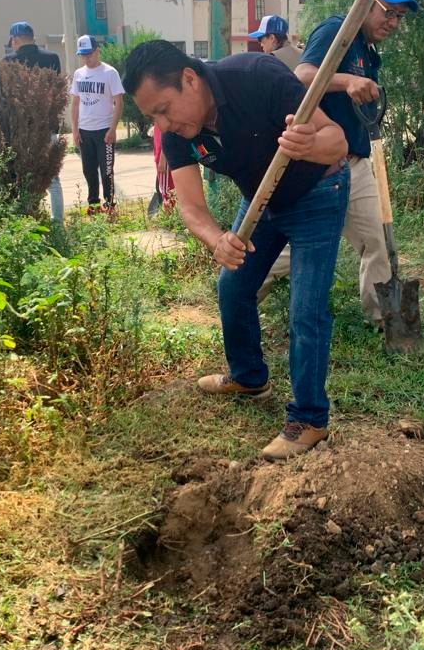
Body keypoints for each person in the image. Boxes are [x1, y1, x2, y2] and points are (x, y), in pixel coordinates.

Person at [123, 40, 349, 461]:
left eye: (164, 109)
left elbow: (335, 142)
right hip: (262, 202)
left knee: (306, 309)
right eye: (152, 115)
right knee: (233, 286)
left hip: (318, 192)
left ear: (189, 79)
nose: (162, 123)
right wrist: (216, 239)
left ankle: (309, 420)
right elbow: (190, 206)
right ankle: (248, 377)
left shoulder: (256, 77)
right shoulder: (175, 132)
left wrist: (307, 146)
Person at [261, 0, 419, 326]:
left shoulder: (368, 48)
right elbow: (301, 76)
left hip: (357, 162)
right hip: (323, 166)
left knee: (378, 239)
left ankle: (384, 320)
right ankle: (243, 291)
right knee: (296, 246)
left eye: (400, 16)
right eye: (388, 10)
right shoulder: (338, 31)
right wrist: (347, 80)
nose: (393, 22)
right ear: (366, 3)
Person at [3, 21, 64, 221]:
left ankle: (29, 220)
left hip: (21, 128)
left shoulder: (8, 62)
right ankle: (57, 223)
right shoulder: (51, 57)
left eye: (12, 40)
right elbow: (57, 90)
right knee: (53, 176)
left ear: (16, 39)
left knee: (23, 175)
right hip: (48, 125)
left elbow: (5, 96)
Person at [70, 35, 124, 216]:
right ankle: (93, 204)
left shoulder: (110, 73)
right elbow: (75, 104)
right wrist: (75, 130)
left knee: (107, 170)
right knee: (88, 170)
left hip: (104, 131)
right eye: (83, 55)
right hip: (85, 131)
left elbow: (119, 102)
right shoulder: (78, 74)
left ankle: (110, 205)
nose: (86, 58)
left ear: (97, 51)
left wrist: (113, 128)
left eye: (89, 54)